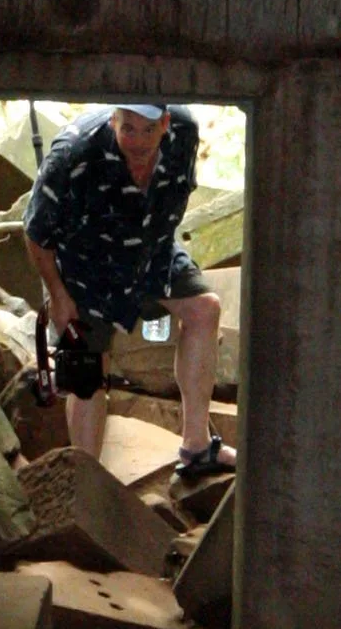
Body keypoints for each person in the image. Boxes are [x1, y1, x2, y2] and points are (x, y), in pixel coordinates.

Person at [22, 102, 236, 486]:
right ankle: (87, 487)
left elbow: (176, 197)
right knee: (89, 371)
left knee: (204, 310)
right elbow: (36, 234)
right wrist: (58, 296)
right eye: (128, 128)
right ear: (113, 119)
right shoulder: (74, 153)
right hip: (85, 268)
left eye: (148, 129)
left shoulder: (183, 132)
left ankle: (197, 447)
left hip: (151, 253)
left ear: (165, 123)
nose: (137, 140)